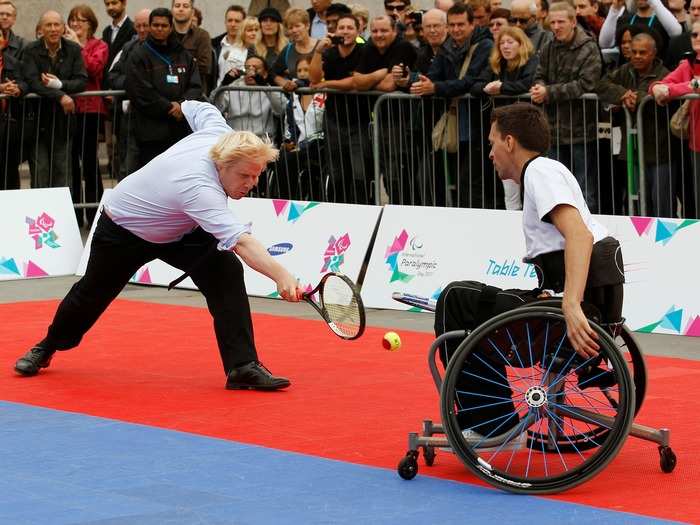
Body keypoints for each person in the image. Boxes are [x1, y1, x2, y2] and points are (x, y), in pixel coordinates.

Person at [14, 100, 302, 392]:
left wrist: (182, 104)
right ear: (221, 164)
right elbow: (241, 242)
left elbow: (202, 108)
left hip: (178, 228)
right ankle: (46, 346)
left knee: (224, 271)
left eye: (257, 175)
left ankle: (242, 366)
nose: (251, 183)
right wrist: (282, 276)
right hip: (123, 230)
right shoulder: (198, 187)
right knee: (91, 295)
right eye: (244, 176)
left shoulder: (218, 133)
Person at [434, 102, 625, 433]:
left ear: (509, 142)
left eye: (492, 143)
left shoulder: (538, 172)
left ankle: (489, 425)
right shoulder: (548, 170)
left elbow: (579, 234)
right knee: (471, 299)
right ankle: (490, 417)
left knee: (455, 299)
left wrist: (570, 304)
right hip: (577, 300)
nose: (490, 154)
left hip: (568, 308)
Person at [531, 2, 603, 213]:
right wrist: (540, 87)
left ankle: (590, 236)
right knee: (555, 191)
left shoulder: (588, 47)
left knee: (583, 189)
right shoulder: (548, 47)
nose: (556, 26)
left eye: (561, 21)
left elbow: (586, 84)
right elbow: (539, 74)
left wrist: (549, 93)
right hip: (552, 131)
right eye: (552, 22)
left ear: (573, 22)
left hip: (580, 131)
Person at [598, 32, 670, 216]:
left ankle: (664, 242)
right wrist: (622, 93)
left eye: (642, 52)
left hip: (660, 150)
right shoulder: (625, 70)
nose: (637, 56)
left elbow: (661, 92)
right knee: (636, 201)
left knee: (660, 202)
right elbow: (601, 84)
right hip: (632, 151)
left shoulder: (665, 74)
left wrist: (635, 97)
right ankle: (641, 241)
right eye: (634, 52)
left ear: (653, 53)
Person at [472, 26, 539, 210]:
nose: (505, 47)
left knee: (530, 181)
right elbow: (475, 85)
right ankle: (513, 218)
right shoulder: (496, 64)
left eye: (510, 42)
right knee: (509, 186)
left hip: (525, 129)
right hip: (502, 130)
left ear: (521, 44)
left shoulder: (531, 61)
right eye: (502, 43)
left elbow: (527, 83)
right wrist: (485, 89)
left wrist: (502, 88)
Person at [125, 8, 202, 167]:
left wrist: (182, 105)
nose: (159, 29)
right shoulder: (139, 55)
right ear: (150, 26)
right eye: (155, 25)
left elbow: (195, 86)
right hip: (150, 134)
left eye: (164, 25)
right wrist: (169, 108)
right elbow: (140, 90)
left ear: (171, 27)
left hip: (180, 131)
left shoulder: (184, 54)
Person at [22, 10, 88, 189]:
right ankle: (38, 215)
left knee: (63, 172)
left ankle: (63, 215)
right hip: (37, 123)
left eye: (56, 24)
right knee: (40, 173)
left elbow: (81, 81)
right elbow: (33, 82)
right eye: (48, 25)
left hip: (63, 123)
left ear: (63, 27)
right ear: (41, 29)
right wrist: (61, 96)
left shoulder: (73, 49)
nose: (53, 29)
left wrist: (58, 84)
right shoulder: (30, 50)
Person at [309, 13, 366, 203]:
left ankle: (363, 210)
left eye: (350, 27)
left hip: (359, 120)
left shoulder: (364, 51)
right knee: (336, 173)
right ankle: (339, 210)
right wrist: (318, 51)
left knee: (360, 172)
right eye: (341, 27)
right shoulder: (330, 52)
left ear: (358, 31)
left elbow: (356, 82)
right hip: (333, 119)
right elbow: (314, 79)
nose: (345, 31)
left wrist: (328, 84)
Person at [650, 19, 700, 218]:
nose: (697, 38)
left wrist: (671, 90)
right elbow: (659, 85)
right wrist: (657, 88)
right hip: (696, 145)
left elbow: (680, 87)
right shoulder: (688, 64)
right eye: (694, 34)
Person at [65, 4, 109, 227]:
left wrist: (78, 45)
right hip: (70, 109)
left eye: (81, 20)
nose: (75, 24)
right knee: (71, 163)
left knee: (90, 163)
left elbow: (94, 68)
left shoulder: (99, 45)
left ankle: (94, 215)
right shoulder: (66, 44)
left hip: (91, 110)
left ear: (91, 24)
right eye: (72, 20)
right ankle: (73, 215)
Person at [0, 19, 27, 190]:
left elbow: (27, 80)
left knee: (9, 172)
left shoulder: (13, 62)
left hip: (7, 126)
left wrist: (18, 88)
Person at [172, 0, 212, 95]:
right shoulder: (165, 34)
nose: (181, 9)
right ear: (172, 10)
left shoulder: (202, 36)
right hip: (169, 93)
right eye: (177, 6)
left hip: (194, 93)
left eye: (185, 6)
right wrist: (191, 62)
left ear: (192, 11)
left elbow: (204, 66)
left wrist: (174, 67)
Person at [272, 8, 318, 92]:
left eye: (297, 26)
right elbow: (273, 73)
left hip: (321, 101)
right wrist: (285, 83)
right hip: (296, 102)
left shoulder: (321, 46)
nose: (294, 30)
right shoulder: (288, 49)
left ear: (307, 25)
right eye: (290, 28)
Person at [212, 5, 246, 91]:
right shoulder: (215, 45)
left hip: (243, 96)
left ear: (244, 23)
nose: (233, 24)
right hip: (220, 96)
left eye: (237, 21)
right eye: (230, 20)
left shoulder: (250, 47)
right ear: (225, 22)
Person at [666, 0, 700, 69]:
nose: (695, 13)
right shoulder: (676, 42)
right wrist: (680, 68)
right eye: (693, 9)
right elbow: (668, 68)